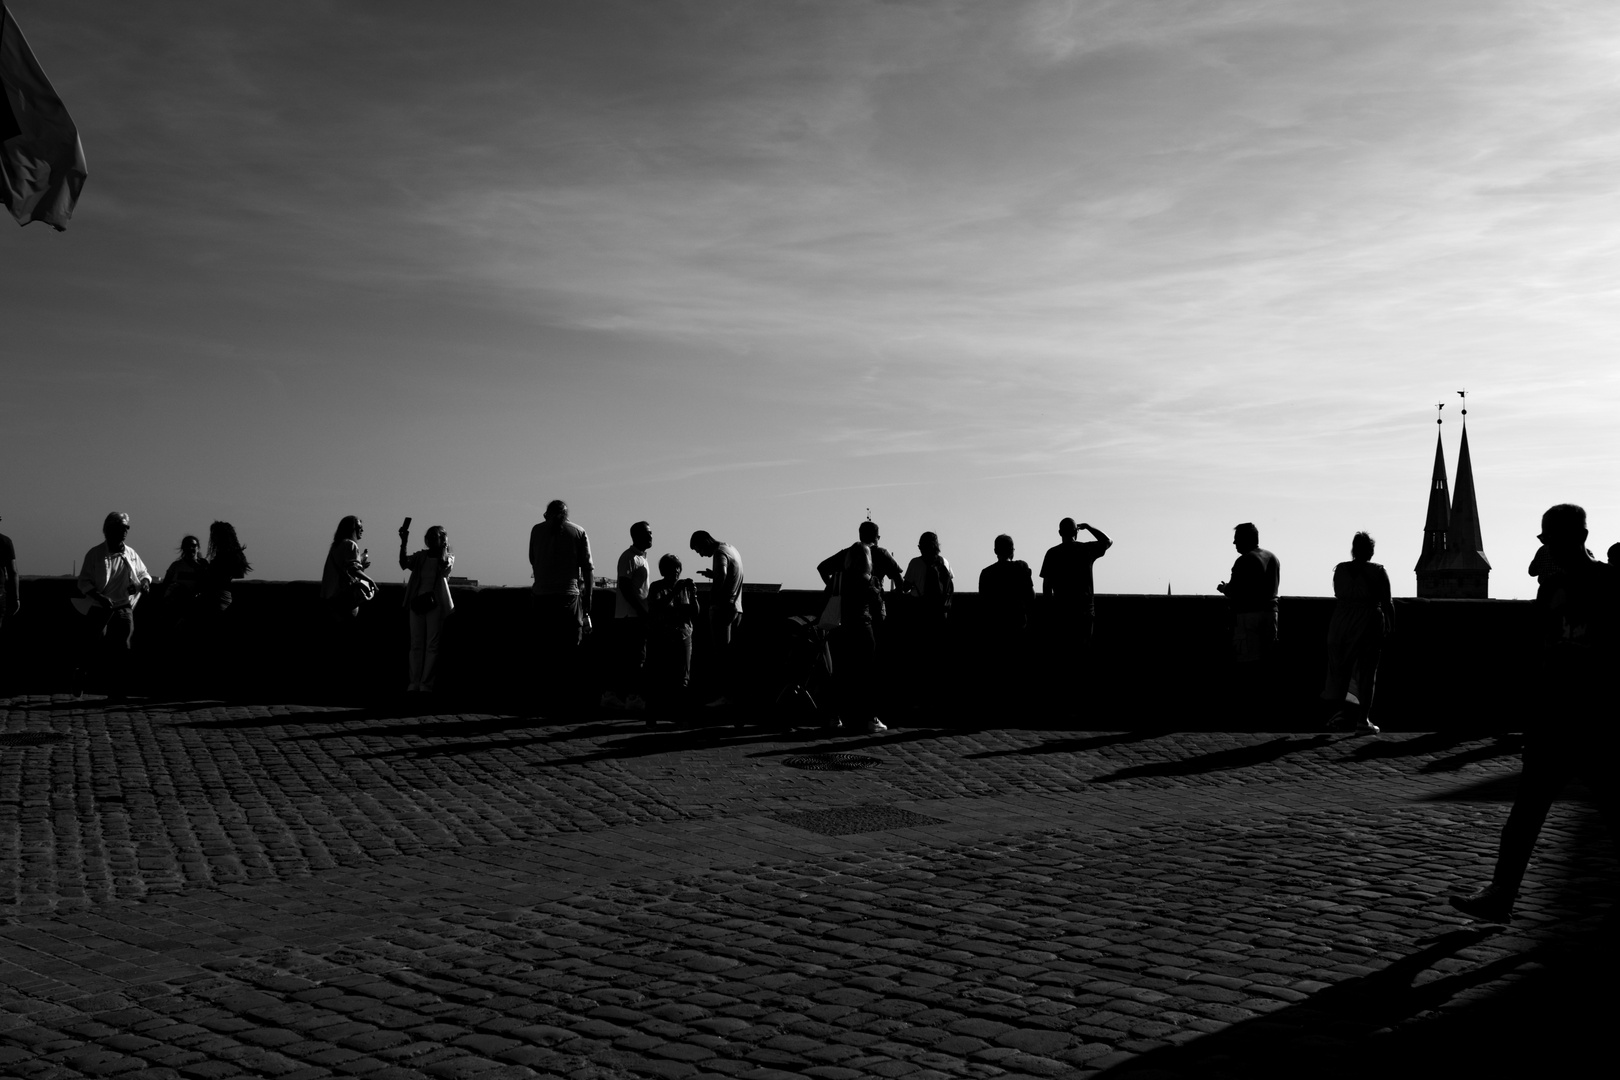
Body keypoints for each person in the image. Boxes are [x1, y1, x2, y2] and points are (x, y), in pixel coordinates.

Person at [1450, 504, 1620, 924]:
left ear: (1578, 539)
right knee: (1525, 815)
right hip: (1556, 716)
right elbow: (1540, 650)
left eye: (1553, 542)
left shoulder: (1606, 584)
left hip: (1593, 718)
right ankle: (1501, 894)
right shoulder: (1561, 586)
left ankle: (1501, 895)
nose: (1549, 550)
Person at [820, 521, 900, 735]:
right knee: (867, 676)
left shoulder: (838, 579)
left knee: (839, 674)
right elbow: (878, 607)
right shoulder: (869, 580)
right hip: (863, 629)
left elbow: (825, 580)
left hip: (840, 629)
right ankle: (869, 719)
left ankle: (833, 716)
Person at [74, 512, 154, 701]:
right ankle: (81, 674)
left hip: (124, 607)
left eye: (127, 527)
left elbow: (144, 573)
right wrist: (99, 597)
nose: (125, 531)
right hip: (100, 607)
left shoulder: (131, 553)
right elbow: (83, 582)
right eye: (121, 527)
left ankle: (117, 690)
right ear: (109, 530)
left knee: (123, 648)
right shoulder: (95, 554)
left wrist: (145, 583)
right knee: (94, 645)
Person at [1321, 532, 1393, 736]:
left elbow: (1339, 593)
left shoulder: (1341, 569)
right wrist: (1390, 625)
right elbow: (1387, 602)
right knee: (1367, 673)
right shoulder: (1378, 571)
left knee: (1340, 670)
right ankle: (1363, 720)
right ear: (1371, 551)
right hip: (1368, 622)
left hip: (1341, 622)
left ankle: (1339, 715)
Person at [530, 500, 594, 711]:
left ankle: (545, 697)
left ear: (547, 514)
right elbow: (587, 568)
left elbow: (533, 559)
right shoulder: (578, 532)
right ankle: (568, 698)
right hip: (568, 596)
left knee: (545, 649)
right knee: (569, 649)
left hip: (542, 595)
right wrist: (588, 599)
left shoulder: (537, 531)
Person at [978, 534, 1034, 711]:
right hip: (1017, 624)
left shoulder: (986, 573)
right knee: (1016, 669)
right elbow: (1031, 596)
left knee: (996, 669)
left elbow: (983, 602)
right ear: (1012, 550)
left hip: (995, 627)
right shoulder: (1021, 568)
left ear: (995, 551)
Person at [903, 531, 955, 721]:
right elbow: (950, 588)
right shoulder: (945, 562)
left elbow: (906, 586)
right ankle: (937, 701)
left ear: (920, 546)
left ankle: (919, 701)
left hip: (921, 616)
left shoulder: (915, 563)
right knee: (938, 660)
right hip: (940, 618)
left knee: (920, 660)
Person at [690, 530, 744, 708]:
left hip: (723, 609)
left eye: (698, 549)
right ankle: (734, 695)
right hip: (737, 608)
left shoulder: (719, 553)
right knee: (731, 655)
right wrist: (713, 575)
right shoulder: (730, 549)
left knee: (722, 656)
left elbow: (722, 574)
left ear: (705, 541)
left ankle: (726, 696)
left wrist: (712, 599)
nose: (700, 554)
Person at [399, 522, 454, 693]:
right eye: (428, 537)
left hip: (435, 603)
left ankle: (426, 683)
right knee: (416, 643)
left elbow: (445, 566)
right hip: (418, 601)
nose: (430, 540)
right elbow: (404, 563)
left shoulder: (447, 557)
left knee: (432, 644)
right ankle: (414, 681)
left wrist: (444, 546)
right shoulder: (420, 556)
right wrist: (404, 542)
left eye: (434, 537)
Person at [1039, 518, 1112, 643]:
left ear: (1060, 533)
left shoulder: (1052, 554)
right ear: (1076, 533)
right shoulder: (1086, 550)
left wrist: (1050, 612)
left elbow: (1047, 587)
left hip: (1062, 613)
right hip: (1085, 612)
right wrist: (1088, 527)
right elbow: (1107, 541)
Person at [605, 521, 653, 712]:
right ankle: (631, 697)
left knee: (628, 659)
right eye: (647, 533)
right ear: (636, 536)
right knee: (634, 659)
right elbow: (625, 587)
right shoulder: (629, 558)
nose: (651, 537)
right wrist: (642, 611)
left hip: (633, 615)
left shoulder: (641, 558)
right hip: (630, 616)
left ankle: (615, 695)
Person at [646, 554, 699, 725]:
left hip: (683, 635)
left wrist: (694, 594)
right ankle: (653, 716)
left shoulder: (684, 588)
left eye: (678, 568)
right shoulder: (656, 587)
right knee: (659, 676)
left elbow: (695, 612)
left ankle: (680, 715)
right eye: (672, 568)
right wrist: (674, 592)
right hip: (663, 635)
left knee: (683, 676)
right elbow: (656, 608)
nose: (676, 572)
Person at [1217, 522, 1280, 663]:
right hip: (1271, 614)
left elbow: (1234, 591)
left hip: (1249, 617)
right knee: (1267, 659)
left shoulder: (1244, 560)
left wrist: (1224, 588)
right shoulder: (1273, 558)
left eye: (1237, 538)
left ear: (1246, 539)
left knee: (1248, 660)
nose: (1234, 542)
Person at [320, 516, 375, 620]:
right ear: (352, 529)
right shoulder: (350, 544)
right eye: (359, 527)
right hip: (344, 599)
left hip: (330, 597)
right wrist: (370, 580)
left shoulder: (337, 545)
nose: (362, 530)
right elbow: (353, 569)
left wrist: (360, 565)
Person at [160, 535, 208, 627]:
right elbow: (165, 585)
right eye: (187, 546)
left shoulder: (203, 566)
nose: (191, 548)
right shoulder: (175, 566)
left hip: (194, 608)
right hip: (175, 607)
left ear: (198, 548)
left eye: (193, 546)